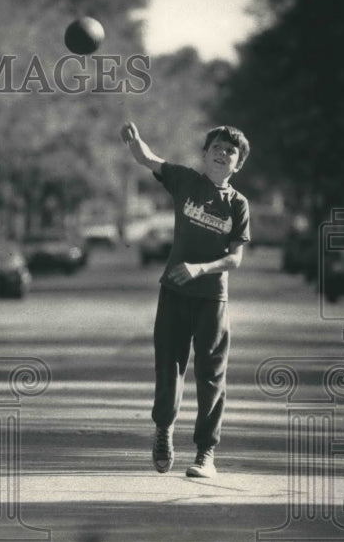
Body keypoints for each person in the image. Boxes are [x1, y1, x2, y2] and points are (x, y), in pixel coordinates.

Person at [120, 121, 250, 479]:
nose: (223, 154)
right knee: (168, 365)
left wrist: (200, 269)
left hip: (212, 299)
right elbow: (148, 159)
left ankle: (206, 453)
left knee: (211, 376)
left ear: (238, 164)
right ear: (204, 155)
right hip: (174, 293)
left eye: (230, 151)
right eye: (217, 148)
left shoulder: (238, 205)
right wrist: (136, 142)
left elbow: (235, 258)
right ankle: (164, 429)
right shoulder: (185, 181)